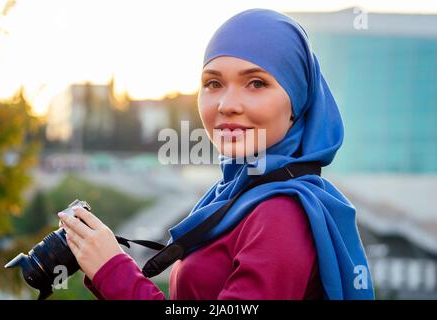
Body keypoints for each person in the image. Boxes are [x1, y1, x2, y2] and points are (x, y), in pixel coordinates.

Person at [58, 8, 374, 300]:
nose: (226, 104)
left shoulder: (281, 214)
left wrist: (113, 270)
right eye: (213, 83)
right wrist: (104, 265)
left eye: (256, 83)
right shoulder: (236, 194)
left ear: (297, 102)